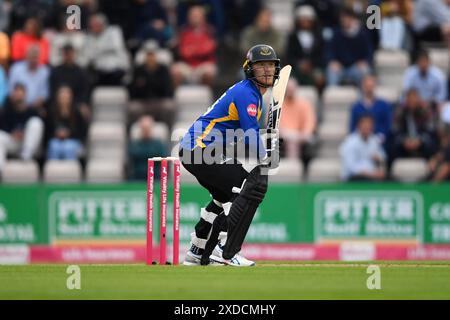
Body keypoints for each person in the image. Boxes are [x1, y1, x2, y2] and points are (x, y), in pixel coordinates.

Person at [179, 44, 280, 267]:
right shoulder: (247, 93)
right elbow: (251, 134)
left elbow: (244, 136)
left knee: (223, 196)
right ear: (249, 68)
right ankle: (224, 249)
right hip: (200, 149)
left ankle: (198, 249)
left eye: (270, 65)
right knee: (248, 186)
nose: (266, 70)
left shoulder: (251, 94)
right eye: (260, 65)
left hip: (197, 150)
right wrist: (266, 158)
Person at [0, 83, 44, 173]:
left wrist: (24, 133)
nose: (18, 96)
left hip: (29, 144)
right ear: (13, 95)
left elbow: (38, 130)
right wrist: (12, 133)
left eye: (21, 93)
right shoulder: (6, 110)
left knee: (36, 122)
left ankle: (25, 156)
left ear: (25, 94)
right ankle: (0, 171)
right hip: (13, 142)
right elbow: (3, 127)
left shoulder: (32, 110)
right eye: (16, 93)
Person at [340, 114, 386, 181]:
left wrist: (378, 157)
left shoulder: (374, 140)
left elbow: (383, 155)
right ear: (359, 126)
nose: (367, 127)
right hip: (353, 178)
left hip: (371, 175)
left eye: (369, 125)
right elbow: (351, 167)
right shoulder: (350, 142)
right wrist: (371, 174)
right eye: (365, 125)